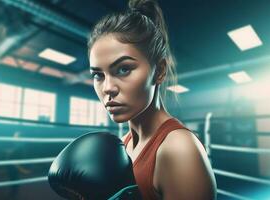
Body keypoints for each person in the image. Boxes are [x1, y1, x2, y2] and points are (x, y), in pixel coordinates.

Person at [88, 0, 217, 199]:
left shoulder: (178, 149)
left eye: (124, 69)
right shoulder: (125, 143)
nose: (108, 88)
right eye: (98, 75)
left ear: (159, 71)